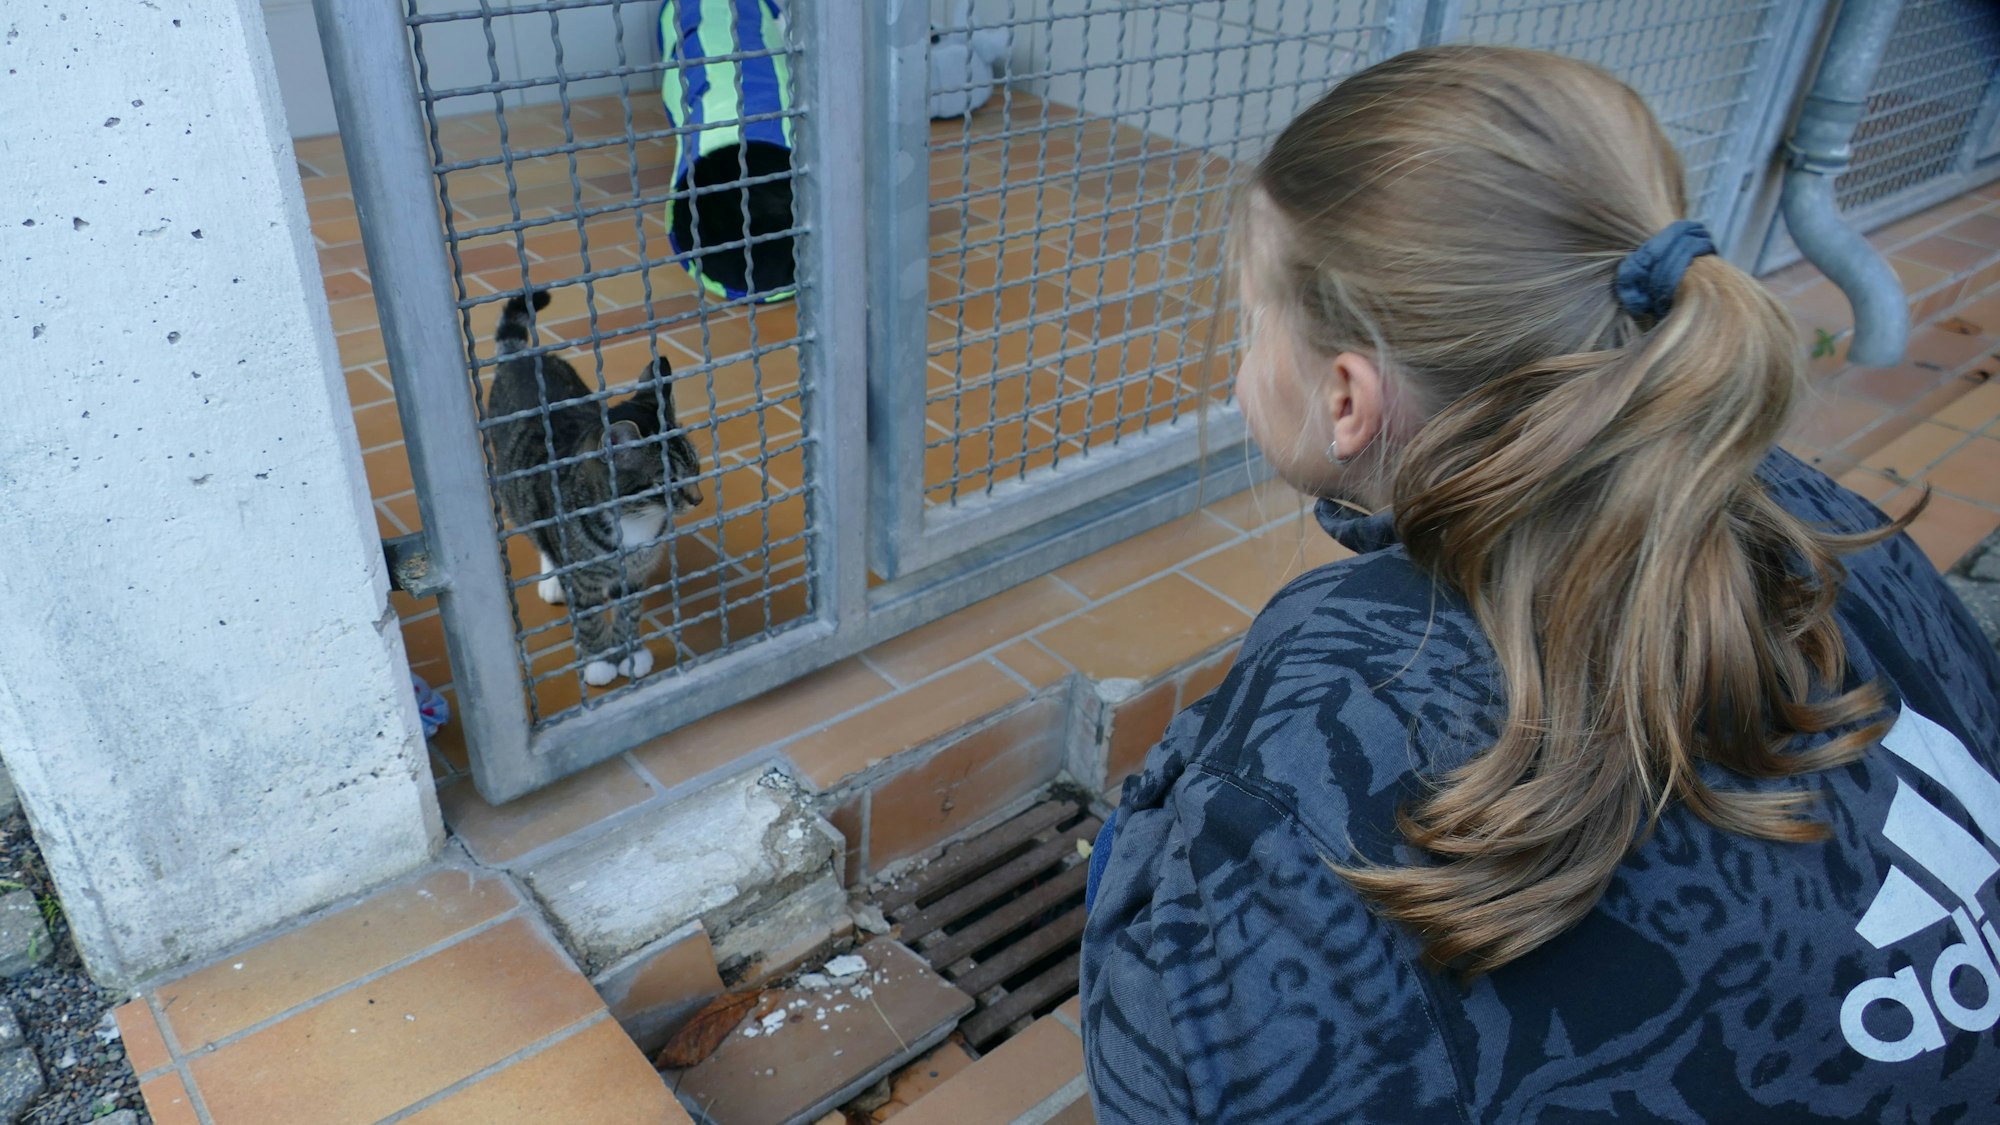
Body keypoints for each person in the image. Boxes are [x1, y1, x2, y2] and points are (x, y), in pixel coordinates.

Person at [1079, 45, 2000, 1124]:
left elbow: (1183, 1064)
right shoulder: (1816, 516)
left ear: (1345, 398)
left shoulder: (1317, 723)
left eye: (1251, 321)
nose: (1244, 353)